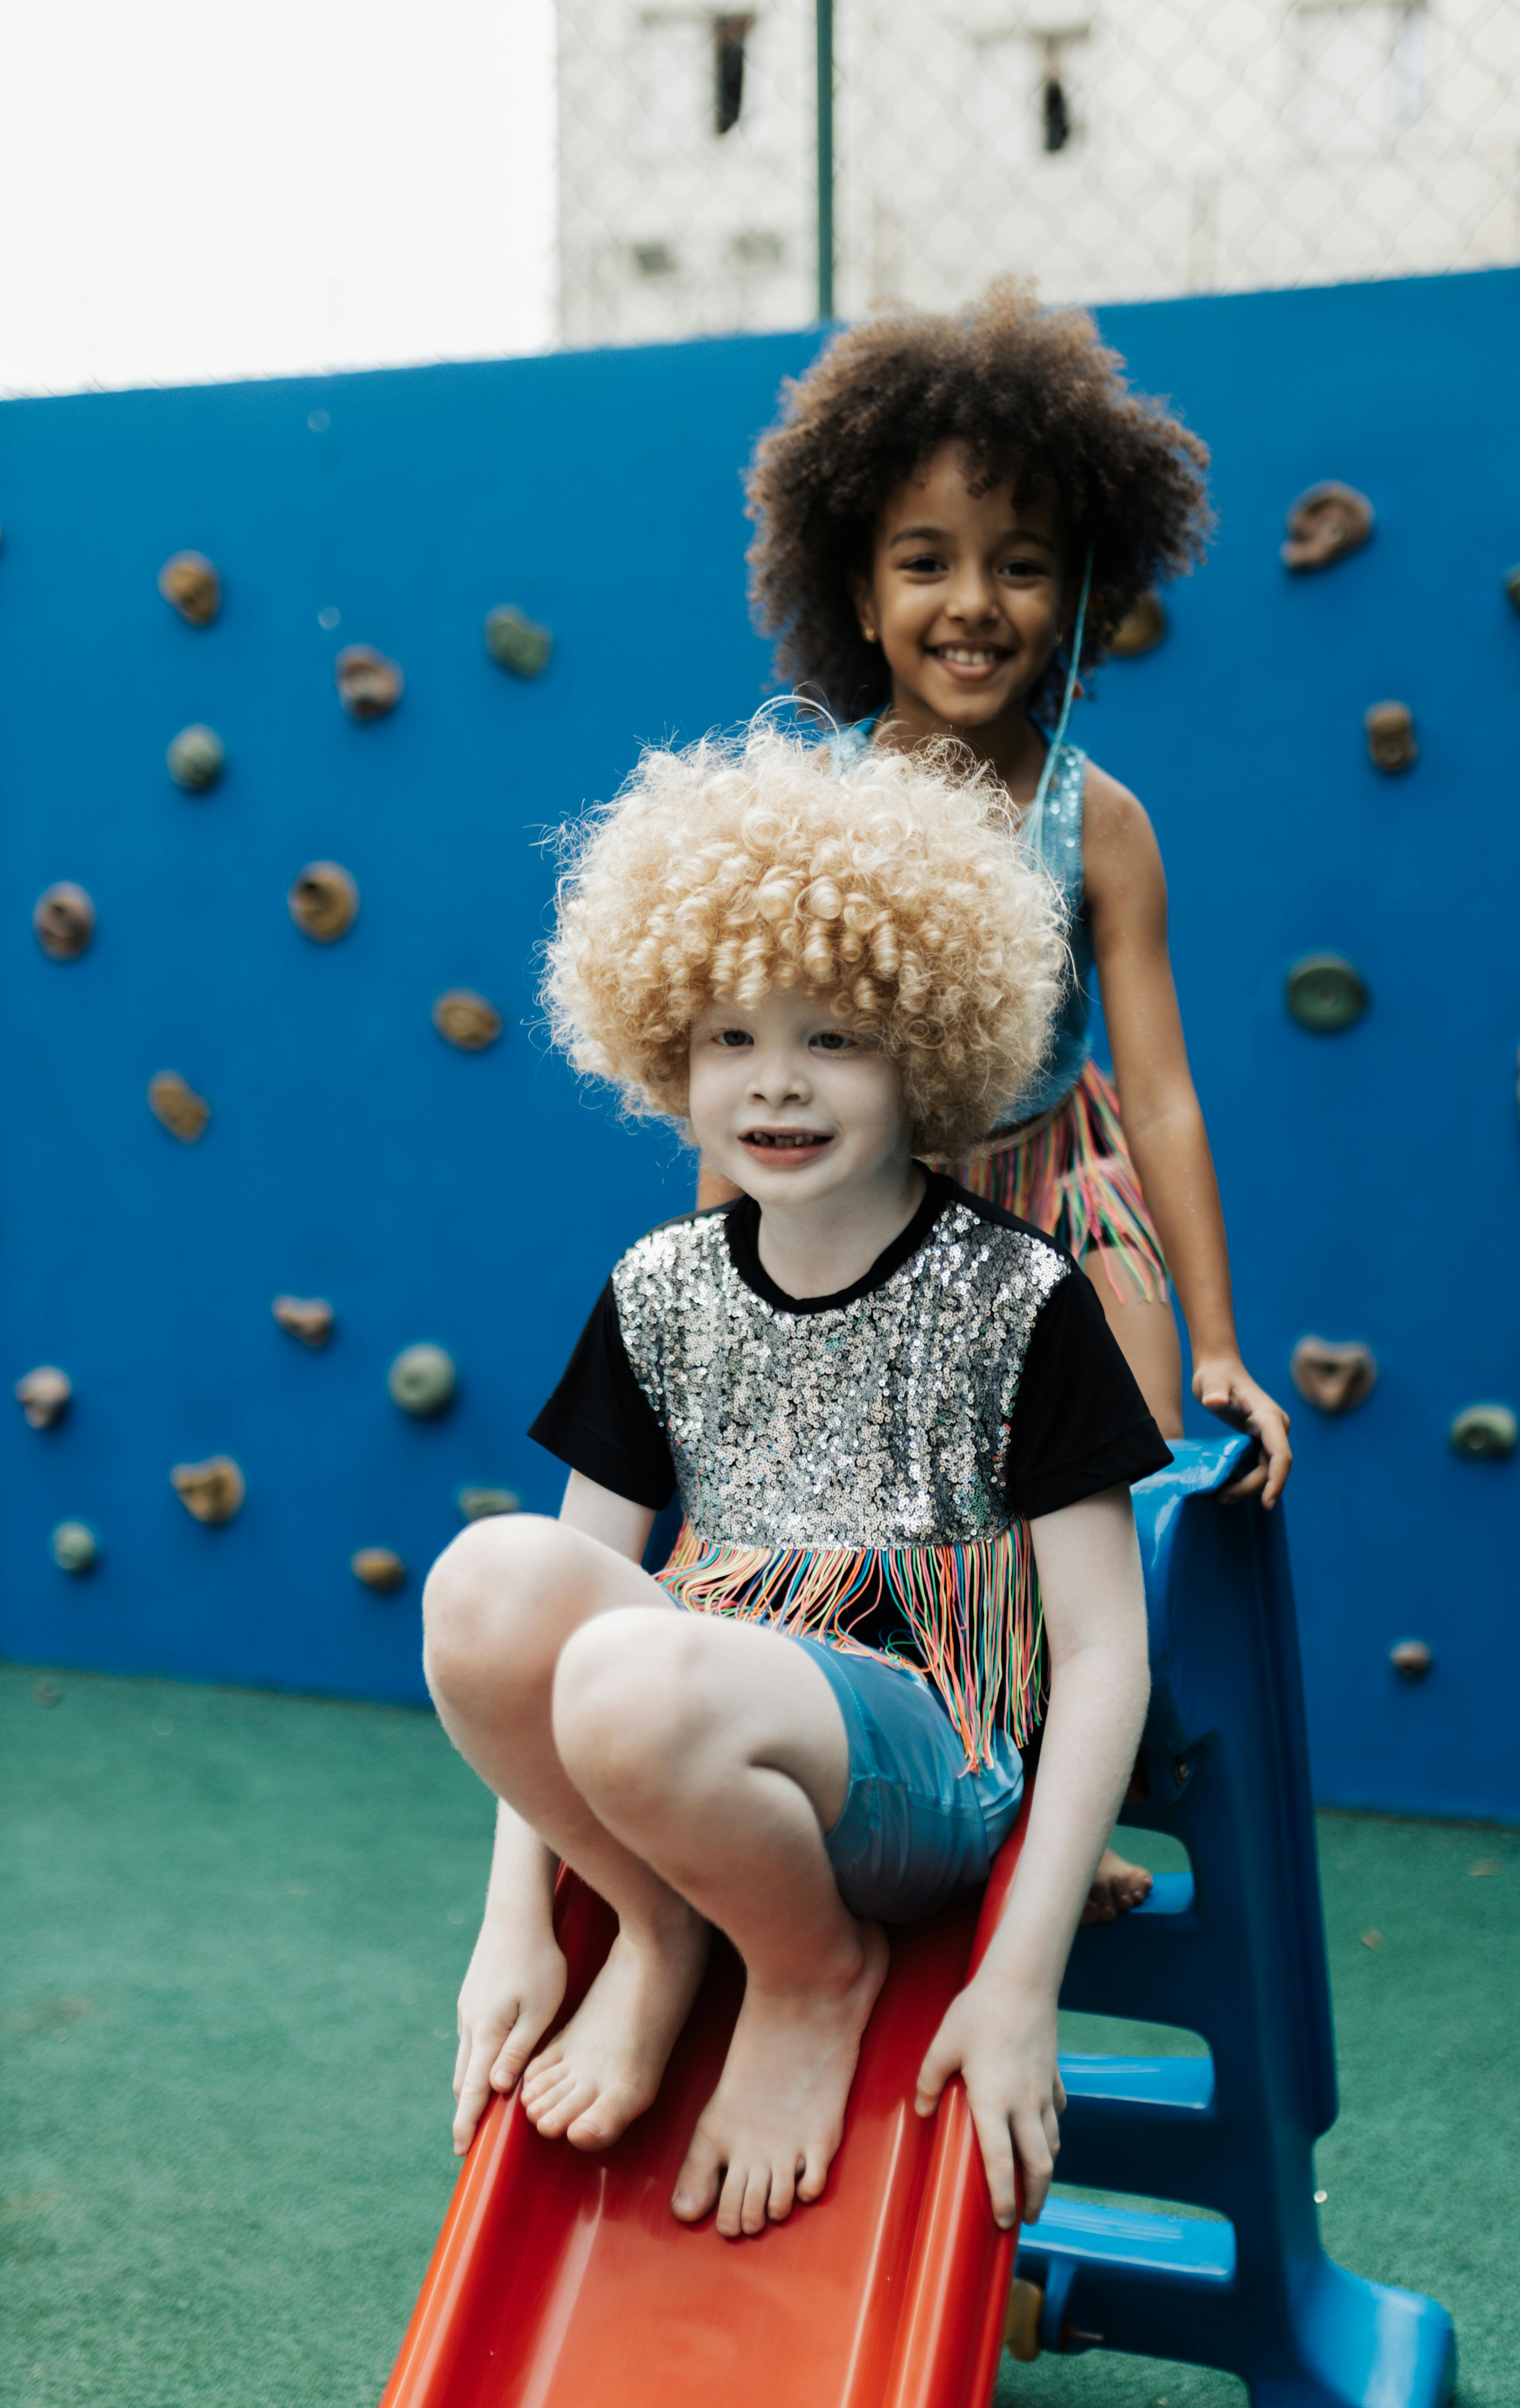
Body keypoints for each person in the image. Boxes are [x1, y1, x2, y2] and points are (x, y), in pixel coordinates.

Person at [423, 725, 1169, 2242]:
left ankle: (812, 1968)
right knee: (487, 1586)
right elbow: (574, 1600)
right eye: (730, 1039)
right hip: (692, 1728)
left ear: (929, 1045)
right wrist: (517, 1924)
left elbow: (1103, 1651)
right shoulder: (660, 1289)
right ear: (666, 1051)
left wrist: (1018, 1981)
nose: (776, 1085)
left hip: (919, 1759)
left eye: (837, 1036)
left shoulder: (1018, 1297)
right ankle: (657, 1921)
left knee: (629, 1671)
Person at [718, 278, 1293, 1919]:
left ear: (1085, 589)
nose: (974, 603)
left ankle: (1056, 1789)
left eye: (1021, 564)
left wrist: (1227, 1338)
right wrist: (729, 1289)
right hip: (878, 1217)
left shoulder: (1097, 821)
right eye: (926, 561)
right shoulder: (812, 810)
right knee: (854, 1487)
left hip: (1059, 1186)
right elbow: (752, 1080)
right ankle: (925, 1774)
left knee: (1097, 1463)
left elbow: (1164, 1096)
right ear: (855, 582)